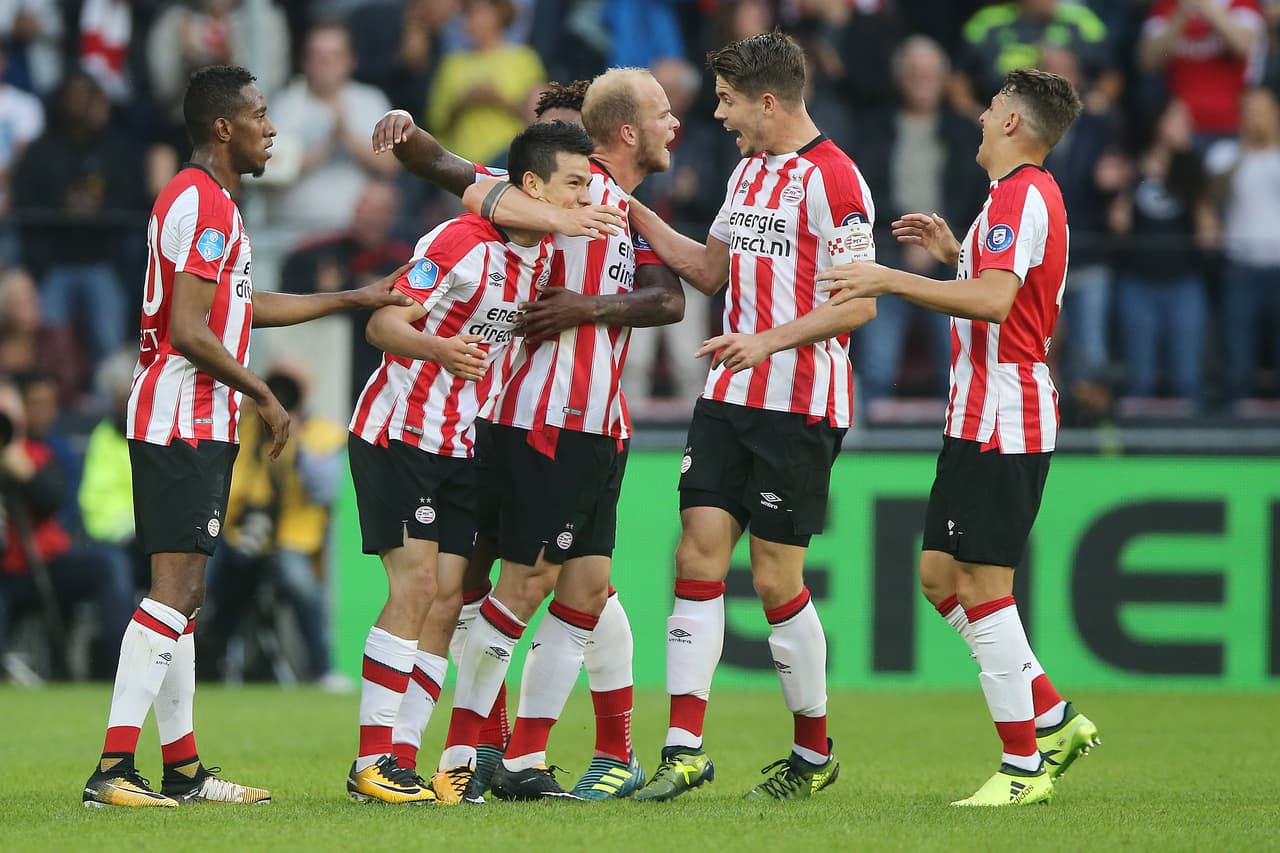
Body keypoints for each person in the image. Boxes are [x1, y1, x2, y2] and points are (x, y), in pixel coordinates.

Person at [82, 64, 410, 809]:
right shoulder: (200, 201)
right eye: (261, 115)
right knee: (174, 591)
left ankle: (184, 771)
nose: (272, 128)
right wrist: (262, 392)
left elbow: (240, 305)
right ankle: (111, 767)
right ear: (223, 127)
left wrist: (351, 296)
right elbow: (189, 330)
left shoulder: (216, 203)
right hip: (177, 417)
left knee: (185, 596)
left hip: (195, 419)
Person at [371, 71, 683, 801]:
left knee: (586, 586)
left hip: (597, 423)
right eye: (664, 114)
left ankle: (526, 757)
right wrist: (408, 132)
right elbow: (452, 171)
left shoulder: (623, 210)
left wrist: (589, 305)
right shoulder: (541, 198)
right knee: (517, 587)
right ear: (627, 129)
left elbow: (670, 296)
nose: (678, 124)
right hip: (543, 420)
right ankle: (465, 752)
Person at [817, 68, 1099, 806]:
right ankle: (1052, 716)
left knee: (982, 587)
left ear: (1014, 124)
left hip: (1005, 413)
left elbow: (997, 301)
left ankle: (1022, 765)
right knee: (940, 575)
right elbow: (1003, 285)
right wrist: (953, 253)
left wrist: (891, 279)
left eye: (993, 107)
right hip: (978, 413)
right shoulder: (1014, 201)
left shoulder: (1021, 195)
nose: (980, 115)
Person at [624, 31, 877, 802]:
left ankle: (812, 752)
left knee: (774, 579)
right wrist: (625, 207)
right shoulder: (747, 173)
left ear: (768, 101)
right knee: (696, 554)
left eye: (730, 102)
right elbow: (707, 269)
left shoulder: (835, 181)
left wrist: (766, 338)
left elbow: (860, 301)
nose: (721, 116)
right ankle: (684, 749)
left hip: (799, 405)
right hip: (730, 397)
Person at [344, 119, 594, 805]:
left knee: (450, 595)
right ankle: (370, 760)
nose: (583, 198)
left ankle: (401, 757)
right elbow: (383, 322)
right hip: (398, 431)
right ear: (533, 186)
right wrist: (442, 350)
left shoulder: (538, 257)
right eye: (574, 184)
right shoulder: (458, 241)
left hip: (457, 440)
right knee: (417, 587)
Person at [1206, 87, 1280, 407]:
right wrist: (1247, 148)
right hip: (1241, 266)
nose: (1255, 117)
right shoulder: (1225, 153)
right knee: (1239, 351)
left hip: (1277, 265)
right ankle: (1236, 422)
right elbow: (1215, 193)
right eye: (1249, 110)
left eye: (1261, 109)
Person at [1138, 0, 1265, 140]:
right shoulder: (1167, 4)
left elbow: (1242, 45)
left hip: (1231, 125)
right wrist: (1180, 16)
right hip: (1180, 129)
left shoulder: (1241, 2)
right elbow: (1148, 61)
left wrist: (1206, 6)